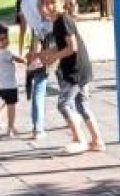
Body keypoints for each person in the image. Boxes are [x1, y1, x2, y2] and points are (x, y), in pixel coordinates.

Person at [39, 0, 104, 154]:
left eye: (52, 2)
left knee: (64, 104)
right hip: (81, 68)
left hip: (75, 70)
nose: (48, 7)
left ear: (62, 3)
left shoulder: (63, 21)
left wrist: (53, 57)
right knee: (82, 105)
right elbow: (63, 45)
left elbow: (72, 47)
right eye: (44, 4)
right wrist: (43, 54)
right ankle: (97, 140)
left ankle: (79, 140)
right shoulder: (59, 22)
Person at [16, 0, 50, 139]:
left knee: (39, 87)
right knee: (66, 81)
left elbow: (24, 27)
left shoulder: (24, 3)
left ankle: (38, 128)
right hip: (55, 39)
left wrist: (21, 48)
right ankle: (72, 117)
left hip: (38, 41)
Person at [0, 24, 26, 137]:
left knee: (8, 103)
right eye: (1, 39)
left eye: (6, 38)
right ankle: (11, 127)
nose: (5, 41)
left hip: (0, 86)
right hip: (9, 85)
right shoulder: (6, 52)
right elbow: (18, 59)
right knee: (12, 107)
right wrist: (25, 60)